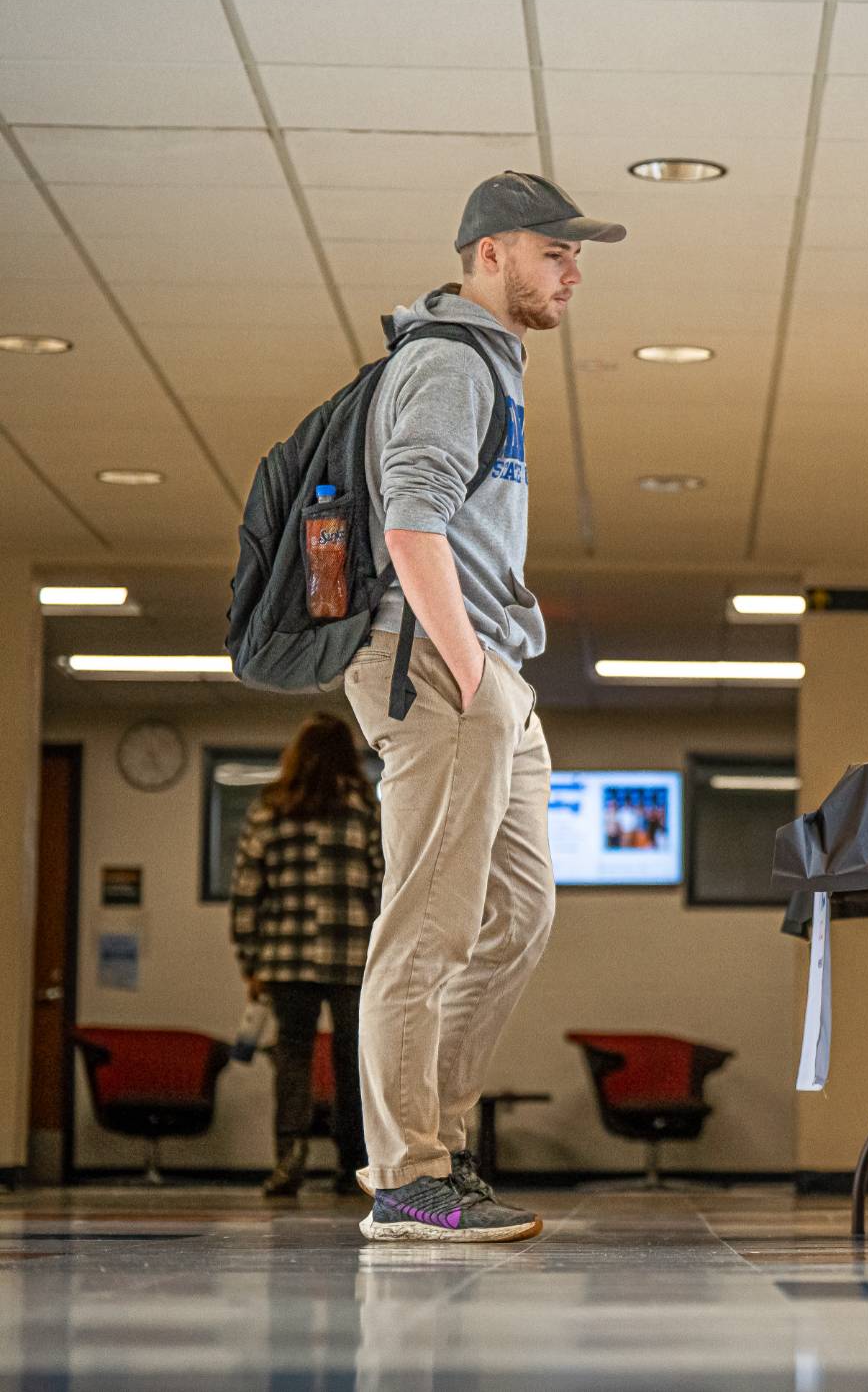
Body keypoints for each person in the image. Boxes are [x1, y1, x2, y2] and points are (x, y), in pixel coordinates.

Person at [341, 171, 624, 1243]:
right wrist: (467, 671)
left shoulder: (492, 363)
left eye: (576, 256)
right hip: (435, 664)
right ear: (491, 254)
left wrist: (491, 673)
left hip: (489, 668)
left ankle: (440, 1146)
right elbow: (412, 525)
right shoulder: (449, 361)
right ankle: (407, 1177)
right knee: (428, 925)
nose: (573, 273)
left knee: (518, 914)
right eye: (556, 254)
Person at [230, 712, 382, 1198]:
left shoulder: (270, 806)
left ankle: (289, 1160)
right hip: (353, 957)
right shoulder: (364, 807)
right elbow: (383, 883)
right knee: (352, 1061)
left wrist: (250, 961)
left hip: (284, 956)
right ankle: (353, 1164)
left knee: (293, 1056)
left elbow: (247, 890)